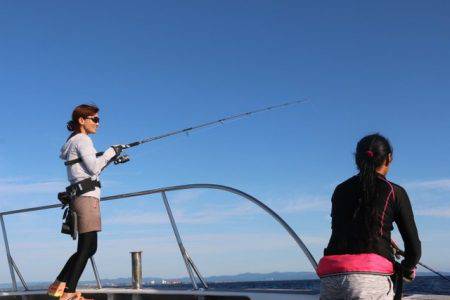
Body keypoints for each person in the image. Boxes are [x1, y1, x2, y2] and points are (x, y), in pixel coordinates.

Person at [317, 133, 421, 299]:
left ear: (357, 159)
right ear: (388, 158)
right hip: (369, 280)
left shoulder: (340, 190)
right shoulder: (394, 192)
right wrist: (407, 268)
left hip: (330, 277)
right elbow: (414, 250)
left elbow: (344, 228)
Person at [48, 104, 122, 300]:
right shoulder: (84, 140)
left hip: (80, 198)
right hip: (87, 199)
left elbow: (86, 170)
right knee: (88, 247)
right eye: (95, 119)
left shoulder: (73, 141)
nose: (98, 123)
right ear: (82, 120)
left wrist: (108, 158)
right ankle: (69, 293)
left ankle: (58, 286)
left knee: (87, 247)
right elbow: (93, 169)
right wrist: (111, 152)